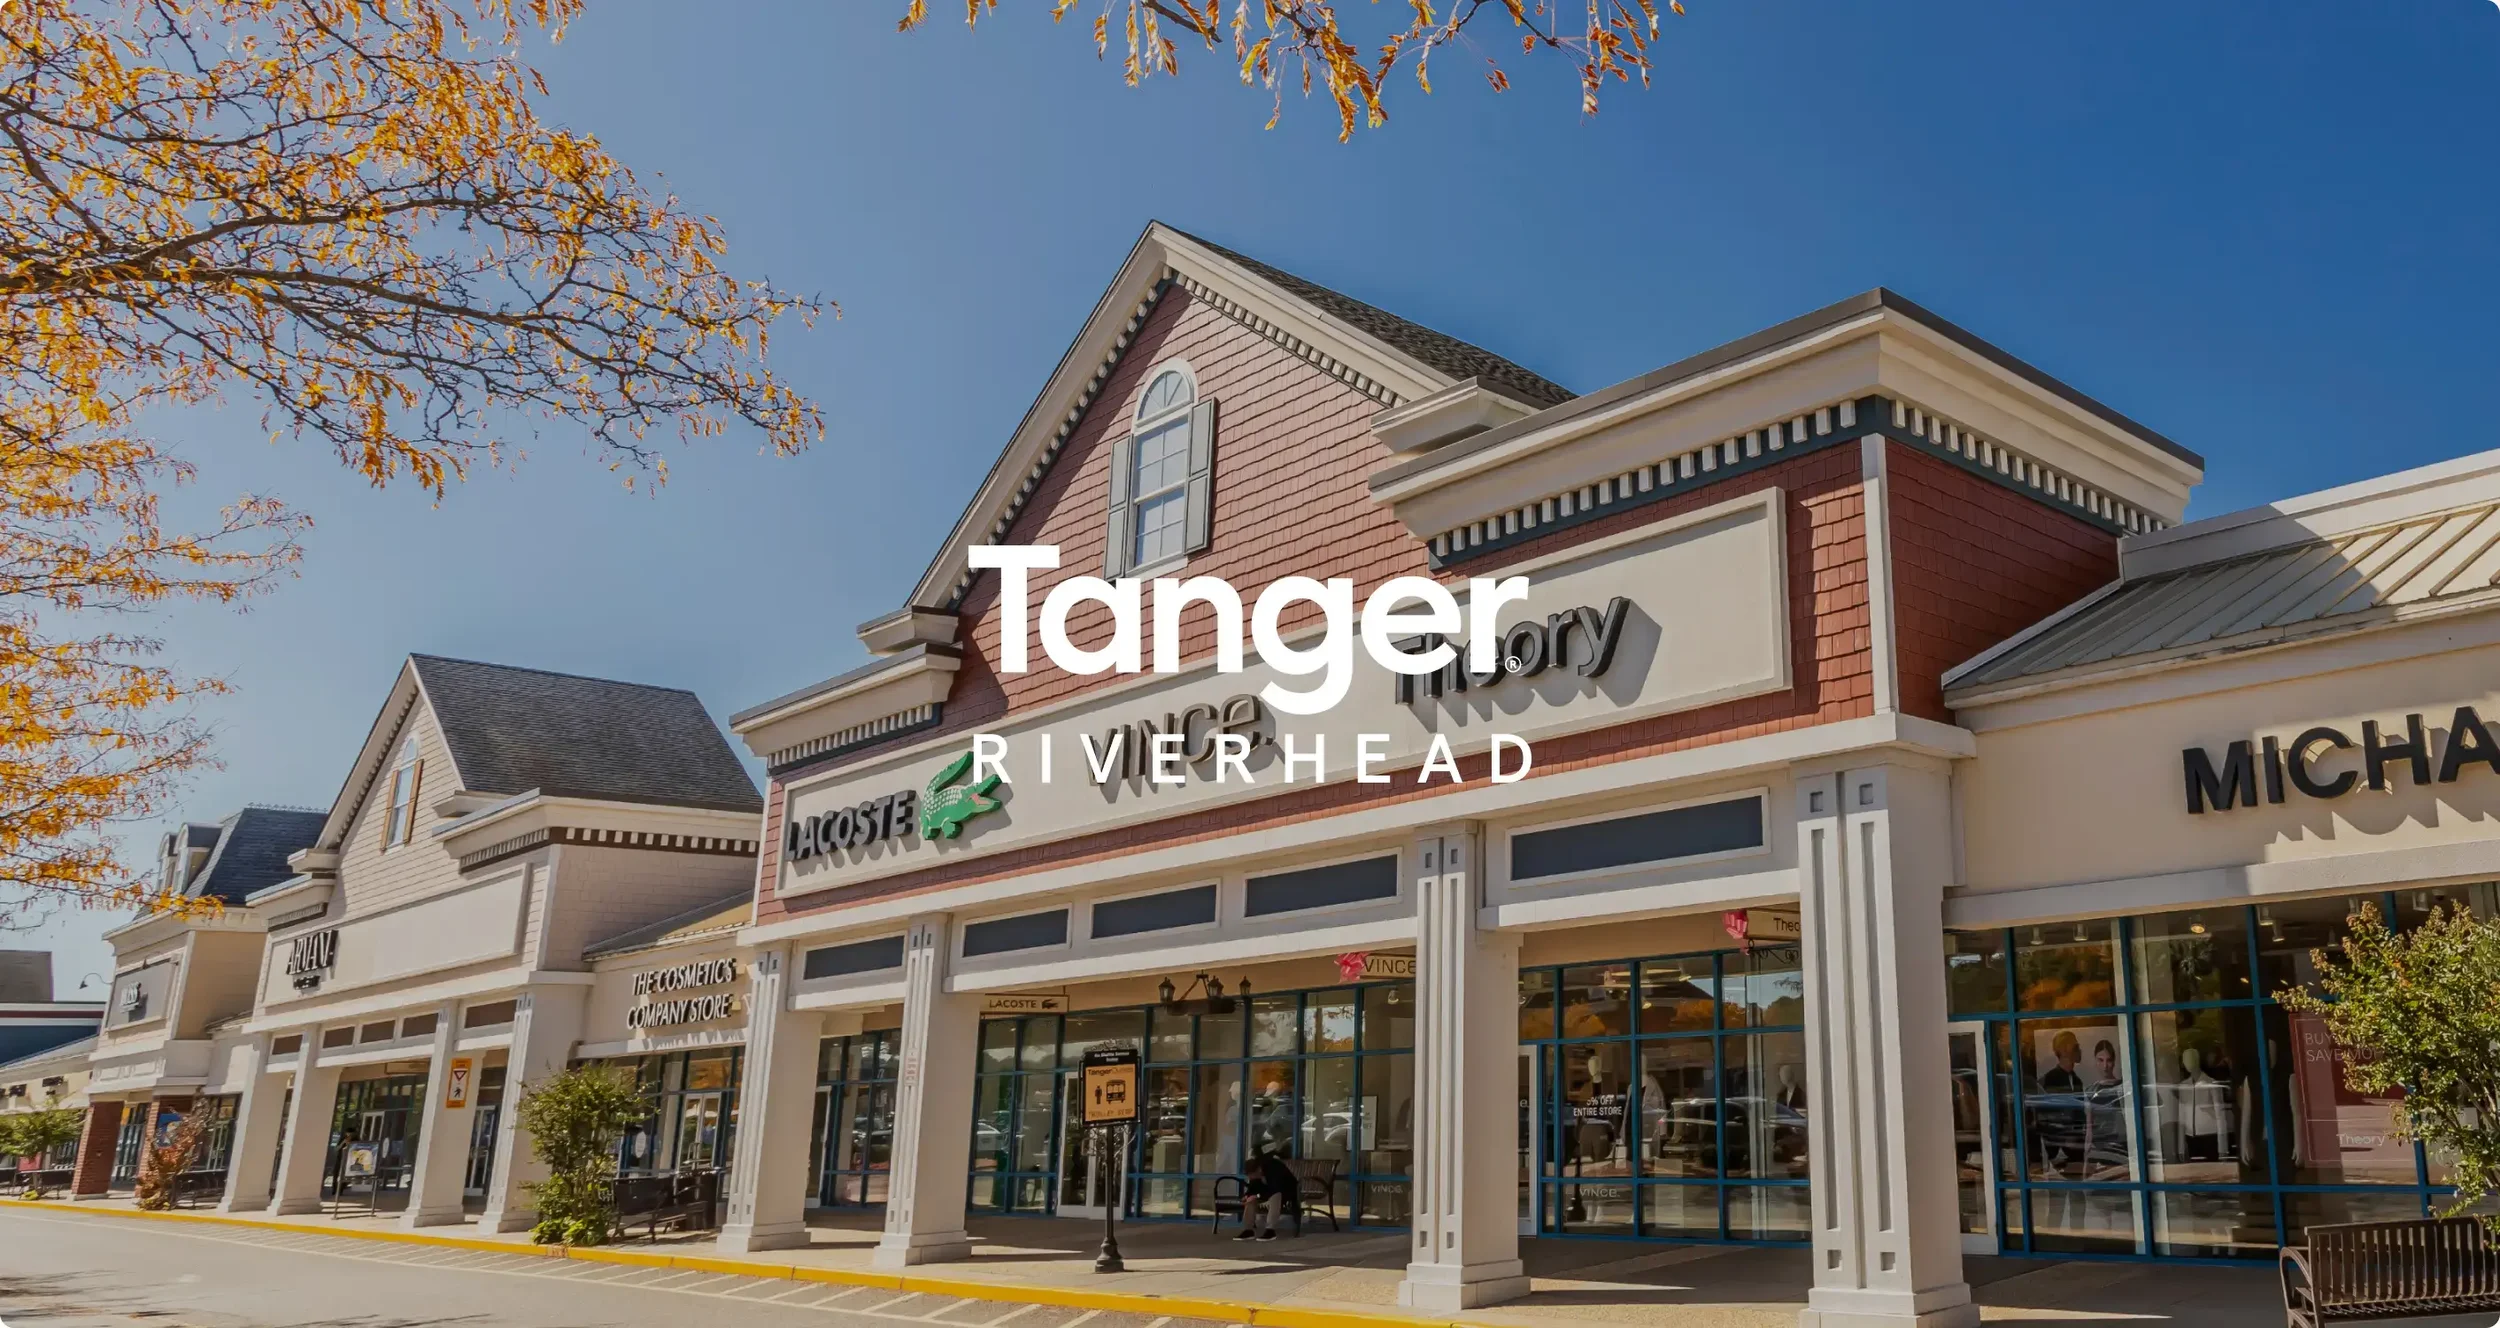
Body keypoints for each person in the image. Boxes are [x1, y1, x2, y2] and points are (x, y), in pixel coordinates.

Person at [1235, 1145, 1296, 1241]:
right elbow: (1253, 1187)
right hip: (1268, 1192)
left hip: (1286, 1192)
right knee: (1251, 1200)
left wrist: (1257, 1195)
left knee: (1275, 1196)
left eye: (1252, 1175)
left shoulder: (1274, 1168)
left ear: (1259, 1170)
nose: (1251, 1178)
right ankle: (1248, 1230)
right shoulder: (1255, 1171)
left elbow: (1276, 1189)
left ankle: (1270, 1230)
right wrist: (1248, 1195)